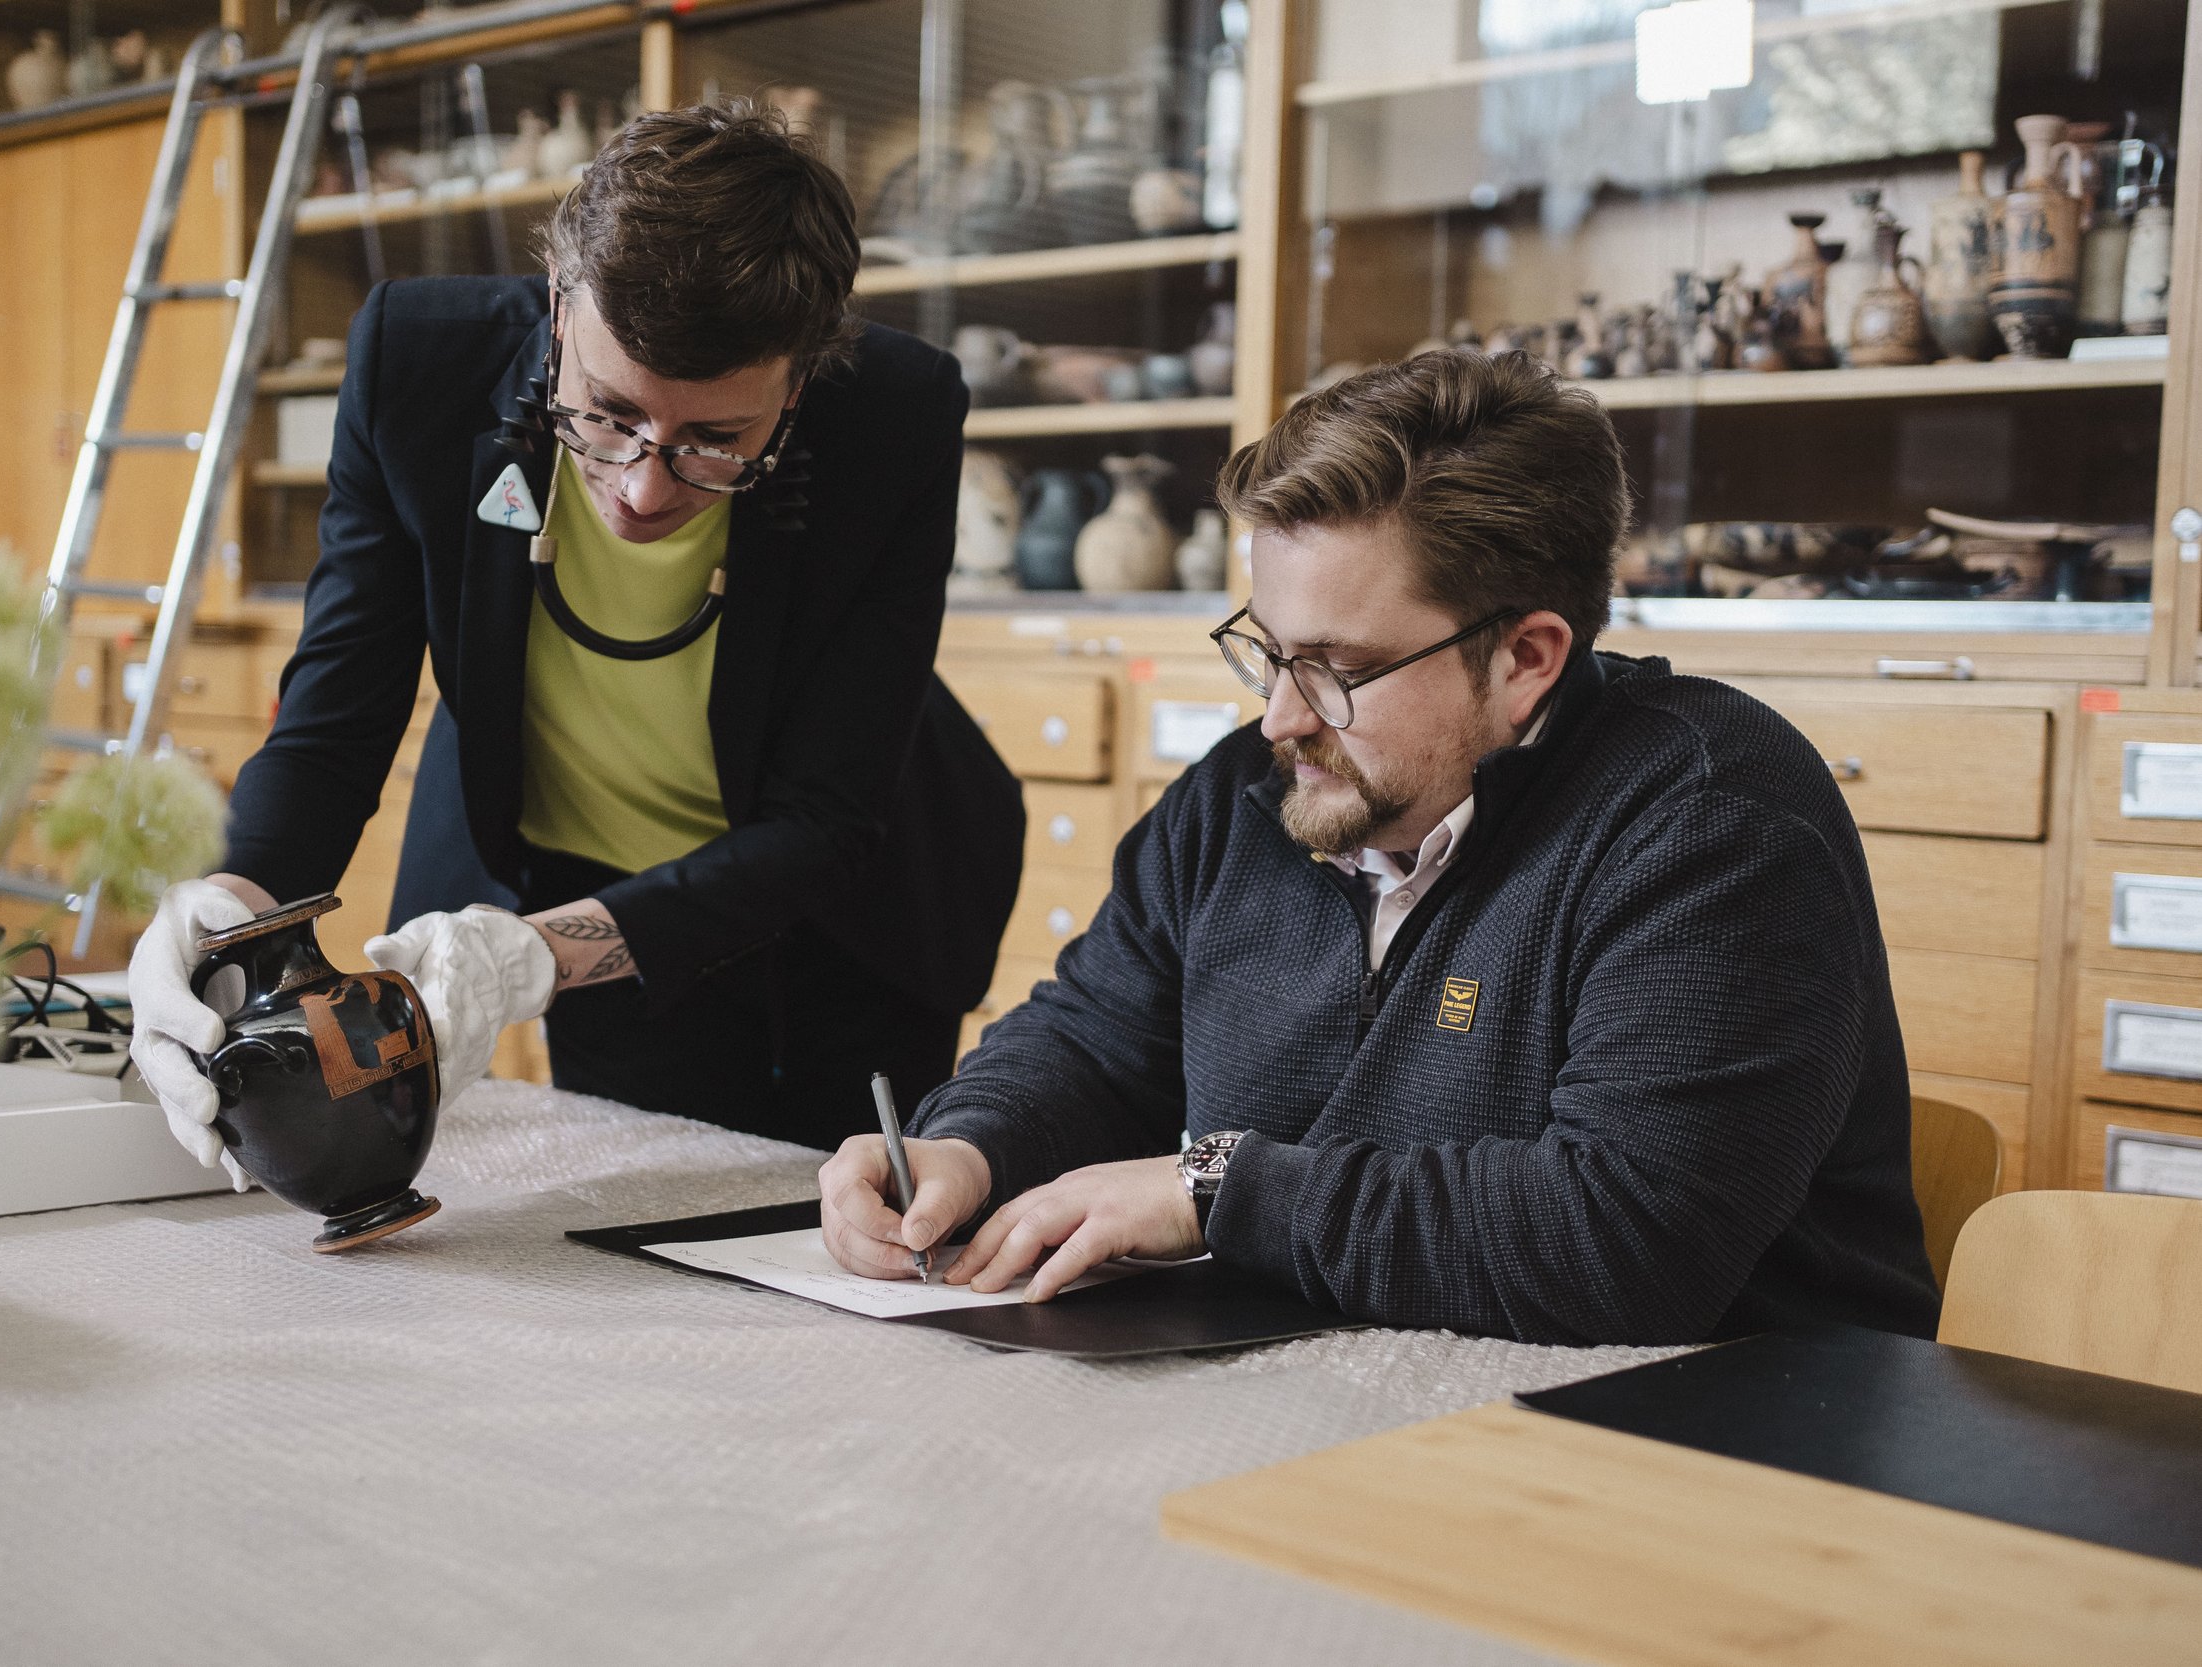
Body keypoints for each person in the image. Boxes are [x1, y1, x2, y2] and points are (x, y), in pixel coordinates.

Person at [817, 348, 1942, 1346]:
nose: (1278, 717)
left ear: (1525, 659)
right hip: (1339, 1384)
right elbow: (1097, 1038)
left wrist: (1217, 1187)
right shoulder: (1246, 798)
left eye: (1338, 668)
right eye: (1266, 651)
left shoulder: (1711, 819)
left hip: (1722, 1454)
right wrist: (966, 1147)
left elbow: (1624, 1241)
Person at [129, 104, 1022, 1184]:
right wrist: (228, 904)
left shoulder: (896, 415)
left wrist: (526, 960)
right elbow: (334, 722)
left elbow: (826, 819)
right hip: (595, 897)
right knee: (648, 1233)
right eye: (606, 413)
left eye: (715, 440)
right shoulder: (417, 362)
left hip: (849, 917)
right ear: (559, 306)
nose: (644, 487)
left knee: (842, 1231)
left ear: (799, 381)